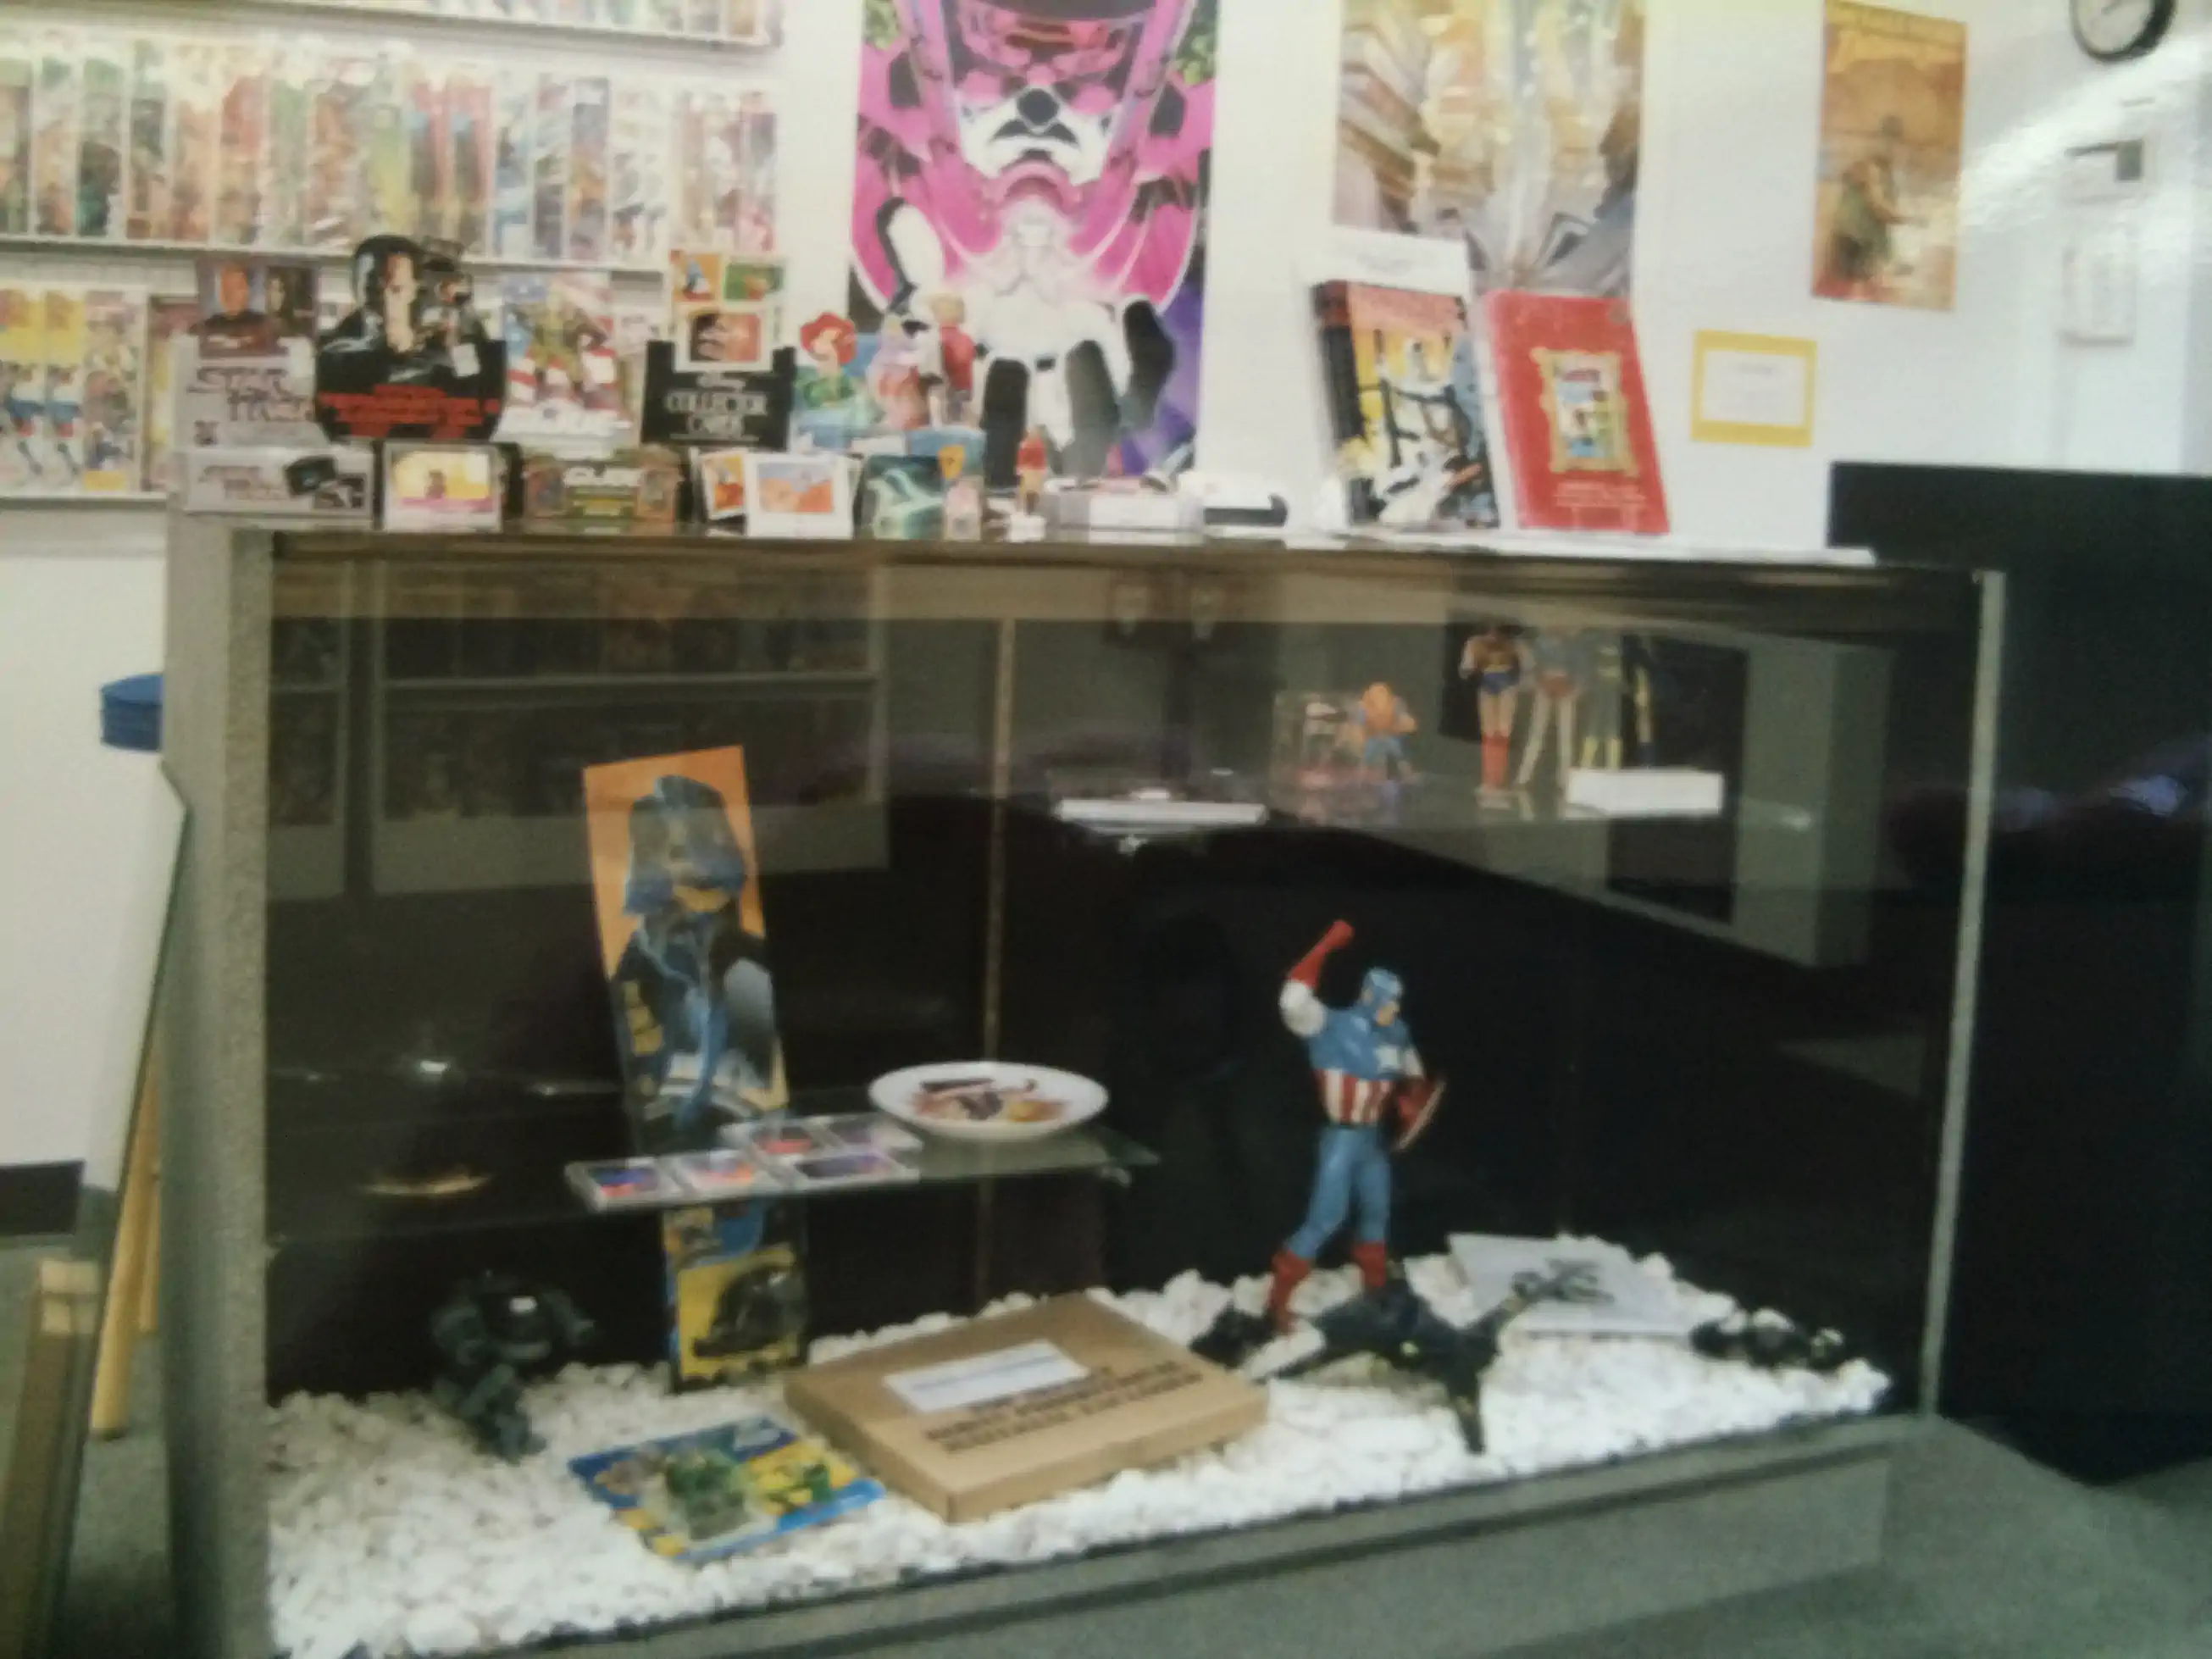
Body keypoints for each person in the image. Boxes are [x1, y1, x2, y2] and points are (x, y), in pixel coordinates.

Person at [1267, 921, 1440, 1332]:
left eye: (1395, 1002)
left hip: (1372, 1142)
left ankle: (1376, 1296)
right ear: (1368, 996)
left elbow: (1414, 1072)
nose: (1392, 1009)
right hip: (1341, 1139)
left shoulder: (1396, 1034)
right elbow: (1292, 1001)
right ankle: (1277, 1305)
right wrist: (1325, 947)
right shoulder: (1330, 1025)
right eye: (1386, 1001)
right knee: (1325, 1218)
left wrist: (1413, 1100)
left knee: (1377, 1214)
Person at [1822, 116, 1909, 301]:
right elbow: (1879, 209)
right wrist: (1908, 219)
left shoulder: (1885, 172)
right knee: (1850, 293)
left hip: (1860, 243)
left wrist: (1891, 255)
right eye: (1888, 142)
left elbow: (1881, 219)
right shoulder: (1869, 168)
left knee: (1861, 293)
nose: (1894, 149)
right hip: (1852, 242)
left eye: (1897, 144)